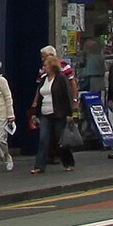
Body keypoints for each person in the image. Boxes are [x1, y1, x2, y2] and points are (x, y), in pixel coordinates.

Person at [29, 46, 76, 174]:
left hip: (58, 113)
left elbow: (67, 96)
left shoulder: (61, 79)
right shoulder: (44, 79)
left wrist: (69, 114)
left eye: (46, 65)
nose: (44, 67)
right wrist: (35, 113)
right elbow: (39, 96)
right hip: (45, 113)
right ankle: (39, 166)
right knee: (43, 139)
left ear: (52, 66)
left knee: (61, 140)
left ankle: (68, 162)